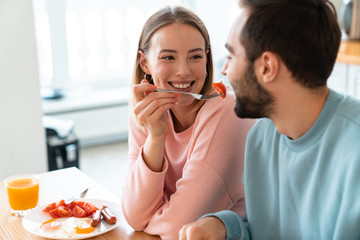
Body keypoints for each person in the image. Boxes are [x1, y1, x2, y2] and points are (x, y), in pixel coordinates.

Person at [179, 0, 360, 239]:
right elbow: (265, 230)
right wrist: (223, 227)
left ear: (266, 67)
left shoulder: (354, 150)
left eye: (231, 56)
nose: (224, 70)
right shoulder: (261, 136)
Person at [120, 6, 255, 240]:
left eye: (195, 56)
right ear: (144, 63)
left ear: (207, 58)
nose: (183, 71)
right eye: (168, 57)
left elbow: (178, 228)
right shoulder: (146, 113)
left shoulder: (226, 112)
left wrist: (151, 220)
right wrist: (156, 138)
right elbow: (133, 215)